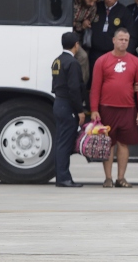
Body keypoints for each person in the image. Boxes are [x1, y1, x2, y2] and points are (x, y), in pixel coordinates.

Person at [90, 28, 138, 188]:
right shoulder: (102, 60)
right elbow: (95, 87)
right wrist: (94, 109)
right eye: (120, 39)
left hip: (128, 108)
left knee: (123, 143)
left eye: (126, 40)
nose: (123, 42)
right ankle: (108, 178)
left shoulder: (135, 62)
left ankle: (121, 178)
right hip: (106, 108)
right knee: (108, 143)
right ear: (113, 40)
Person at [51, 32, 86, 187]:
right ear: (76, 45)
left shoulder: (57, 60)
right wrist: (79, 110)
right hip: (67, 106)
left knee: (60, 142)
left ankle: (61, 176)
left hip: (58, 102)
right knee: (65, 143)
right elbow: (74, 88)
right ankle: (64, 178)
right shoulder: (72, 63)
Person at [89, 0, 136, 73]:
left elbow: (132, 35)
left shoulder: (124, 11)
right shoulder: (96, 7)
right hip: (95, 53)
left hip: (114, 54)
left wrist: (126, 54)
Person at [72, 0, 102, 84]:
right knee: (82, 56)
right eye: (90, 0)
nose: (92, 3)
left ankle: (83, 88)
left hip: (82, 37)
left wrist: (85, 23)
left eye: (94, 1)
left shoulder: (93, 7)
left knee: (86, 60)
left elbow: (91, 20)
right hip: (69, 36)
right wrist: (80, 24)